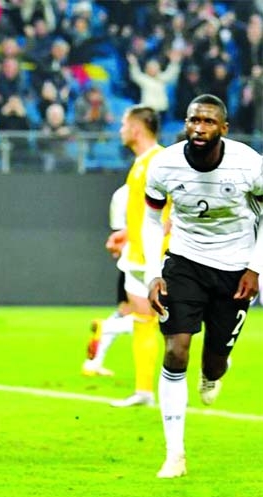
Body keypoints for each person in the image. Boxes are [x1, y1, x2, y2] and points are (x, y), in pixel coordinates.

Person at [143, 94, 263, 479]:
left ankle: (213, 372)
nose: (200, 128)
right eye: (194, 120)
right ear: (185, 123)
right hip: (185, 262)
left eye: (209, 122)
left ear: (223, 128)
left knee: (213, 361)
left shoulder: (249, 165)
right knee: (176, 350)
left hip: (235, 268)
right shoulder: (164, 165)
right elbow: (150, 219)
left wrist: (255, 268)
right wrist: (153, 272)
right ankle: (174, 453)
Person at [89, 106, 168, 410]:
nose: (120, 130)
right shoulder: (140, 164)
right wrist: (127, 235)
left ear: (136, 129)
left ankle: (215, 360)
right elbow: (145, 215)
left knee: (168, 322)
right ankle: (144, 391)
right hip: (137, 253)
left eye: (123, 124)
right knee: (143, 321)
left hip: (156, 257)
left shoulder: (158, 161)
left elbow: (169, 210)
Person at [81, 184, 133, 377]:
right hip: (150, 261)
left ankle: (92, 362)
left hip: (129, 261)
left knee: (125, 311)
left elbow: (119, 232)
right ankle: (107, 327)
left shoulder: (120, 193)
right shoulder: (163, 184)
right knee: (157, 319)